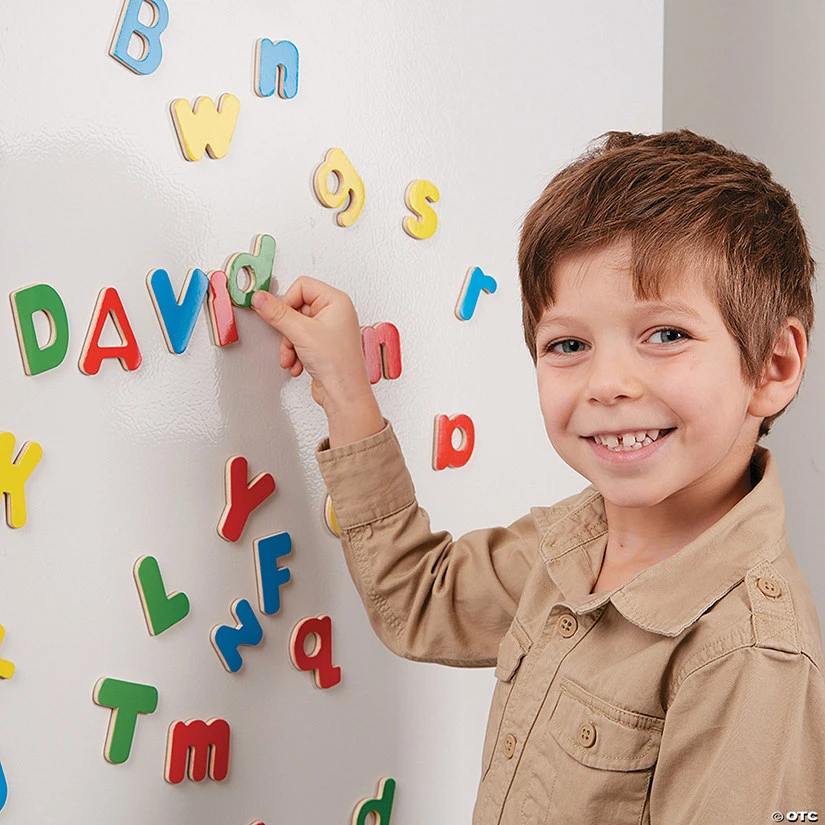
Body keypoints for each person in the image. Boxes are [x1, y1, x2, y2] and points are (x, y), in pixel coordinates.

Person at [251, 129, 825, 823]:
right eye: (568, 344)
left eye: (666, 335)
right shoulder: (575, 543)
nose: (607, 382)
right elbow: (419, 599)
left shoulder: (748, 653)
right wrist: (345, 387)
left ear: (773, 367)